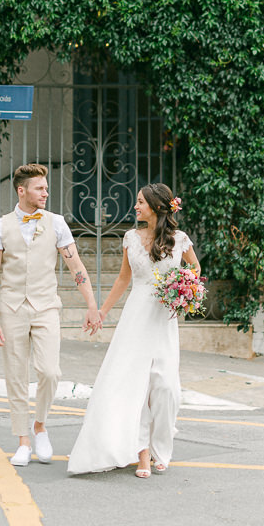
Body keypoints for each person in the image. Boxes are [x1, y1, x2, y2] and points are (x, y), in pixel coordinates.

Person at [67, 182, 200, 478]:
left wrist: (185, 288)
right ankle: (142, 455)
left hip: (165, 318)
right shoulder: (130, 237)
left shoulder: (179, 239)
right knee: (135, 384)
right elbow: (123, 280)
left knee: (166, 388)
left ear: (155, 207)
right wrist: (101, 312)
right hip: (136, 316)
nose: (136, 206)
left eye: (140, 202)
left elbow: (195, 270)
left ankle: (161, 448)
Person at [0, 162, 101, 467]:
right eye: (40, 188)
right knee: (16, 375)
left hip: (46, 305)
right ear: (22, 191)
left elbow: (76, 267)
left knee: (51, 372)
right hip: (11, 308)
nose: (46, 193)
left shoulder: (57, 223)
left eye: (46, 188)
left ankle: (40, 425)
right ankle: (23, 440)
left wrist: (91, 305)